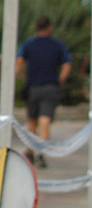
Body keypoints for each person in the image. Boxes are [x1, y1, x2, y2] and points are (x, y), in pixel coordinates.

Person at [15, 16, 72, 169]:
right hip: (50, 87)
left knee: (32, 120)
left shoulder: (29, 44)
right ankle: (40, 152)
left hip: (33, 87)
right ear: (49, 27)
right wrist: (60, 79)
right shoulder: (57, 45)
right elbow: (67, 65)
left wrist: (20, 76)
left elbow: (19, 62)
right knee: (45, 120)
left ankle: (30, 150)